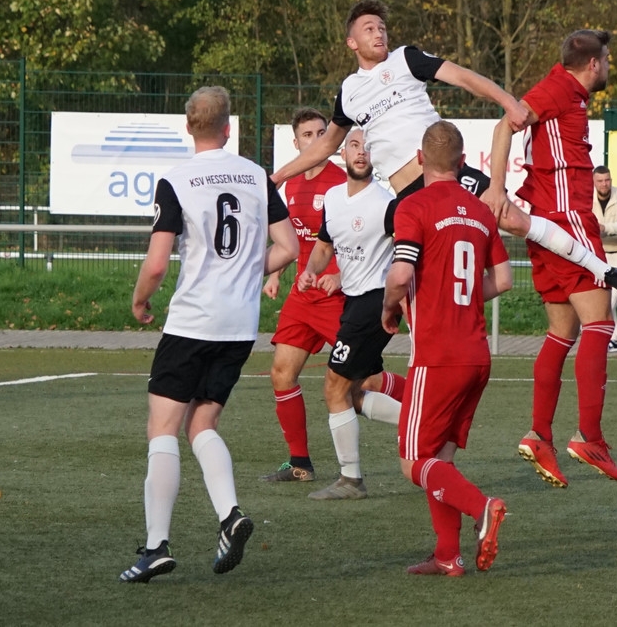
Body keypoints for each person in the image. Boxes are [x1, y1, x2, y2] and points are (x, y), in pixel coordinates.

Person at [270, 0, 617, 300]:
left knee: (511, 219)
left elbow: (463, 77)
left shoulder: (405, 59)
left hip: (447, 173)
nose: (379, 33)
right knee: (415, 276)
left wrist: (508, 102)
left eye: (381, 27)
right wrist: (279, 176)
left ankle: (603, 270)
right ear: (351, 42)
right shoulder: (349, 92)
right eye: (369, 29)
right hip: (410, 194)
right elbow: (327, 144)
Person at [119, 86, 299, 583]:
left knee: (163, 429)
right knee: (202, 424)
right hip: (238, 325)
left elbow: (158, 263)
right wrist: (245, 271)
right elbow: (289, 246)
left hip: (192, 321)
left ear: (188, 127)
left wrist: (139, 299)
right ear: (228, 127)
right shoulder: (256, 176)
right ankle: (230, 515)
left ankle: (156, 546)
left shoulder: (176, 179)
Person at [491, 29, 617, 489]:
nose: (608, 66)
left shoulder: (569, 93)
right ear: (593, 64)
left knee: (561, 332)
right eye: (606, 58)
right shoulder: (557, 88)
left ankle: (540, 435)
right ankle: (590, 437)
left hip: (548, 221)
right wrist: (496, 189)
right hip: (566, 219)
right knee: (600, 323)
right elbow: (506, 124)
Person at [382, 120, 512, 576]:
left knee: (413, 463)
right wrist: (463, 299)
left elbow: (400, 275)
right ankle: (447, 556)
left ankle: (483, 507)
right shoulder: (480, 211)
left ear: (420, 159)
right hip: (477, 354)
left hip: (437, 356)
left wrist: (389, 309)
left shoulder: (413, 206)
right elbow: (504, 279)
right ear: (463, 162)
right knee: (441, 460)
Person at [260, 108, 405, 483]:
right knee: (281, 373)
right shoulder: (292, 184)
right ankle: (300, 463)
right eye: (308, 135)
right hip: (304, 294)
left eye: (322, 133)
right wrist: (276, 274)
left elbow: (362, 244)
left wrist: (339, 276)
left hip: (341, 298)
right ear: (296, 143)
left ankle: (422, 404)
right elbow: (294, 239)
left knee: (362, 385)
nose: (316, 140)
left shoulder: (343, 184)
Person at [298, 127, 402, 501]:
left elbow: (408, 254)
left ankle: (351, 480)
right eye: (355, 145)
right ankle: (421, 425)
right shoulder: (333, 198)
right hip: (353, 303)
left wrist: (398, 300)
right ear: (342, 153)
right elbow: (325, 247)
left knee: (333, 386)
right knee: (355, 391)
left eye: (368, 147)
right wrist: (312, 270)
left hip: (376, 303)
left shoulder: (387, 205)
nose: (361, 152)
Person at [592, 165, 617, 353]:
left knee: (612, 298)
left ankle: (604, 335)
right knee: (598, 297)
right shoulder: (587, 197)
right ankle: (611, 337)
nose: (604, 184)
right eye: (600, 181)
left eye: (607, 180)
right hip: (595, 253)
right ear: (594, 182)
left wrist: (604, 228)